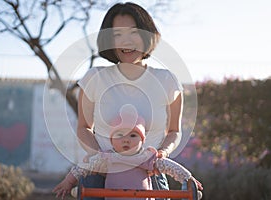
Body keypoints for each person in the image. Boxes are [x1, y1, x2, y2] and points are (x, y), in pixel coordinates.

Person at [60, 2, 202, 199]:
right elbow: (84, 127)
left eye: (133, 33)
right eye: (117, 35)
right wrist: (100, 159)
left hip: (150, 174)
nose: (126, 42)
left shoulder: (167, 81)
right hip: (100, 176)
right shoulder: (94, 78)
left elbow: (174, 131)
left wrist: (162, 154)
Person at [53, 113, 202, 200]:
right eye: (120, 135)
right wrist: (69, 181)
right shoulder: (107, 158)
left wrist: (187, 178)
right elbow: (85, 167)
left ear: (142, 140)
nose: (126, 139)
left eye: (132, 135)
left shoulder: (147, 157)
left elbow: (169, 167)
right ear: (111, 140)